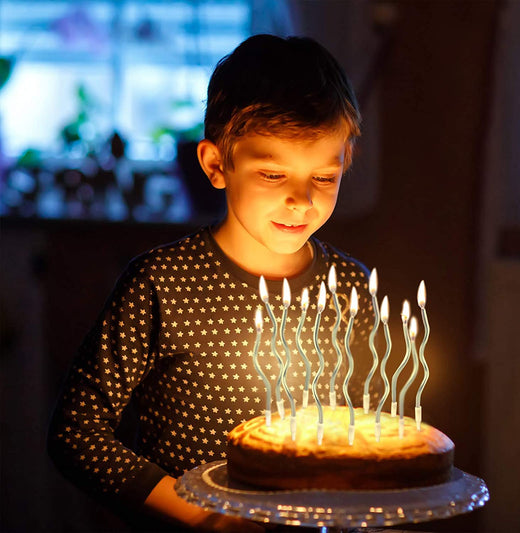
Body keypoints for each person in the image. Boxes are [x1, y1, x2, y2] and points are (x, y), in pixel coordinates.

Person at [48, 34, 376, 532]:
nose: (301, 200)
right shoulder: (162, 284)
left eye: (324, 178)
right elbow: (78, 433)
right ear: (216, 164)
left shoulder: (352, 288)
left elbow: (372, 431)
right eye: (272, 174)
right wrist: (202, 516)